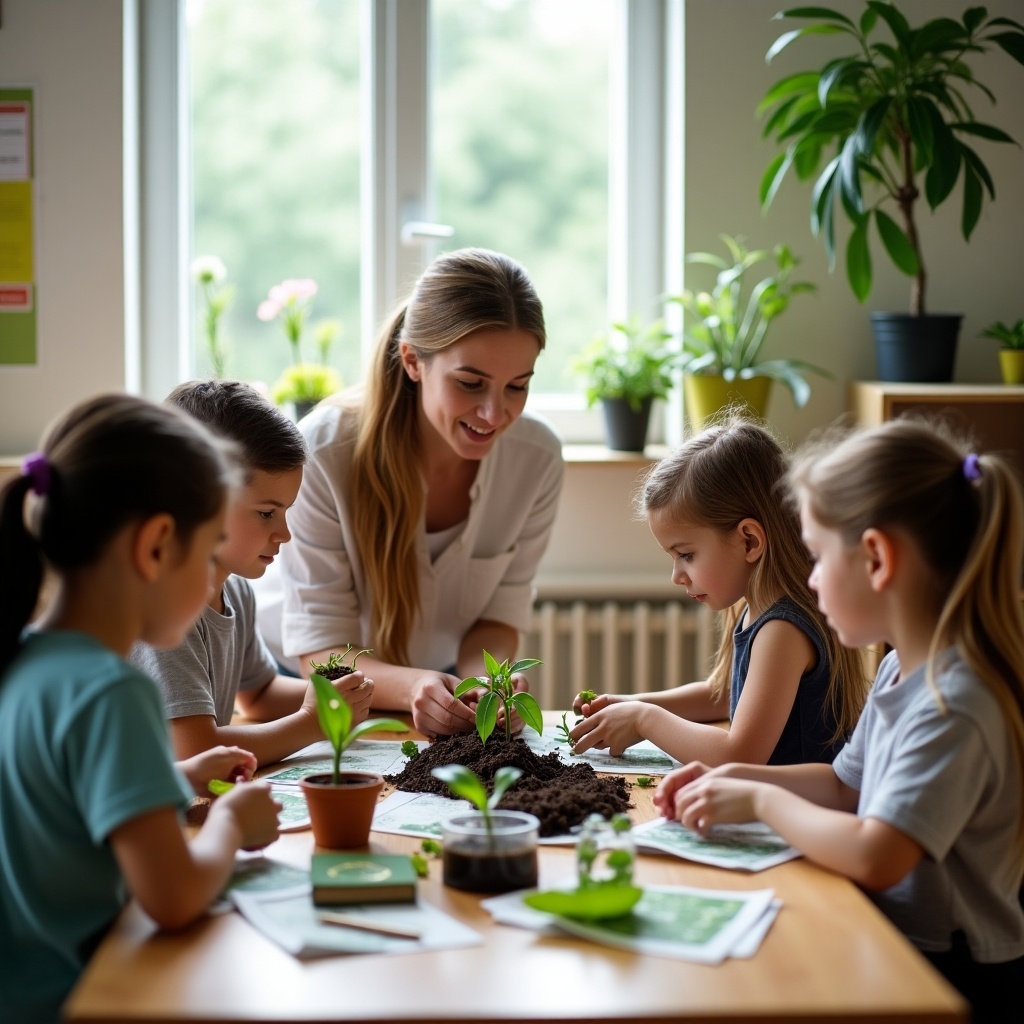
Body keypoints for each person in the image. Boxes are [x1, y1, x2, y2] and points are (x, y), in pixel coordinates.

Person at [656, 418, 1024, 1023]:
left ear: (877, 559)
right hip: (898, 939)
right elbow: (843, 785)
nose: (811, 577)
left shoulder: (955, 702)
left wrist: (763, 804)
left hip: (955, 972)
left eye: (820, 557)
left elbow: (879, 854)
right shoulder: (902, 669)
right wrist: (731, 783)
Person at [0, 394, 281, 1024]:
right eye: (210, 551)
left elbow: (67, 805)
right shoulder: (110, 690)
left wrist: (173, 781)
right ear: (156, 546)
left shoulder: (27, 660)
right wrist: (232, 821)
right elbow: (176, 897)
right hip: (82, 998)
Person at [262, 247, 564, 737]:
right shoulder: (324, 451)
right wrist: (417, 688)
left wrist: (486, 683)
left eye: (517, 386)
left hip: (434, 691)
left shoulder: (538, 459)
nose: (494, 414)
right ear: (413, 361)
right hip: (305, 696)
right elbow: (321, 652)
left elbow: (496, 618)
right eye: (470, 383)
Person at [570, 416, 865, 765]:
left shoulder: (782, 631)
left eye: (686, 555)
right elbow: (723, 694)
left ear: (749, 541)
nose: (677, 575)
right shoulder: (756, 608)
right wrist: (633, 704)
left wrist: (643, 719)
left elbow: (740, 754)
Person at [130, 380, 373, 766]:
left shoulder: (236, 590)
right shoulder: (163, 605)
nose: (285, 533)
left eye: (286, 512)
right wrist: (313, 722)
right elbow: (195, 749)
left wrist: (337, 694)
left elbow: (257, 695)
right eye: (266, 513)